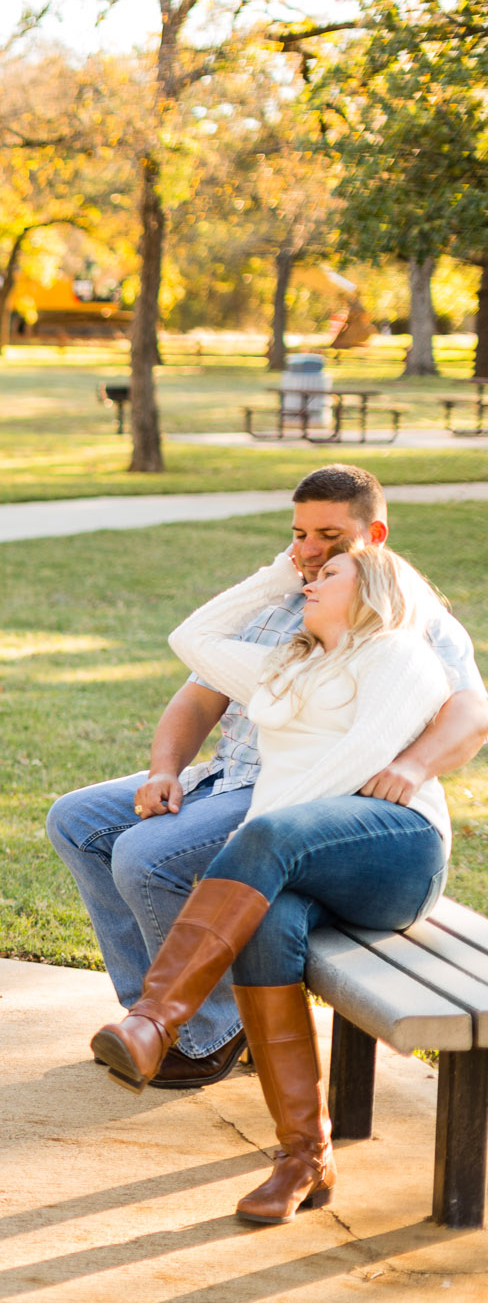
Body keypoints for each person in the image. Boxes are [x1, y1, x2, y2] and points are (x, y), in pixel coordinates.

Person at [46, 466, 488, 1087]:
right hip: (226, 774)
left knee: (145, 856)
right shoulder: (286, 610)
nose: (309, 552)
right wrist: (165, 770)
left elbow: (469, 714)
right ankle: (148, 1019)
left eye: (329, 537)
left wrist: (409, 767)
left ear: (374, 535)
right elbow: (199, 689)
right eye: (299, 534)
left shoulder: (406, 621)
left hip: (295, 799)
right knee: (77, 819)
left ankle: (209, 1031)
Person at [93, 540, 453, 1225]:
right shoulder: (289, 665)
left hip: (397, 851)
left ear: (373, 588)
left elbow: (357, 760)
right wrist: (275, 575)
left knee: (265, 841)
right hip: (302, 855)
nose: (310, 581)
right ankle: (304, 1157)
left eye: (329, 573)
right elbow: (192, 640)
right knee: (269, 923)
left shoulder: (398, 654)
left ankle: (154, 1020)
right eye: (307, 574)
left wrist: (255, 840)